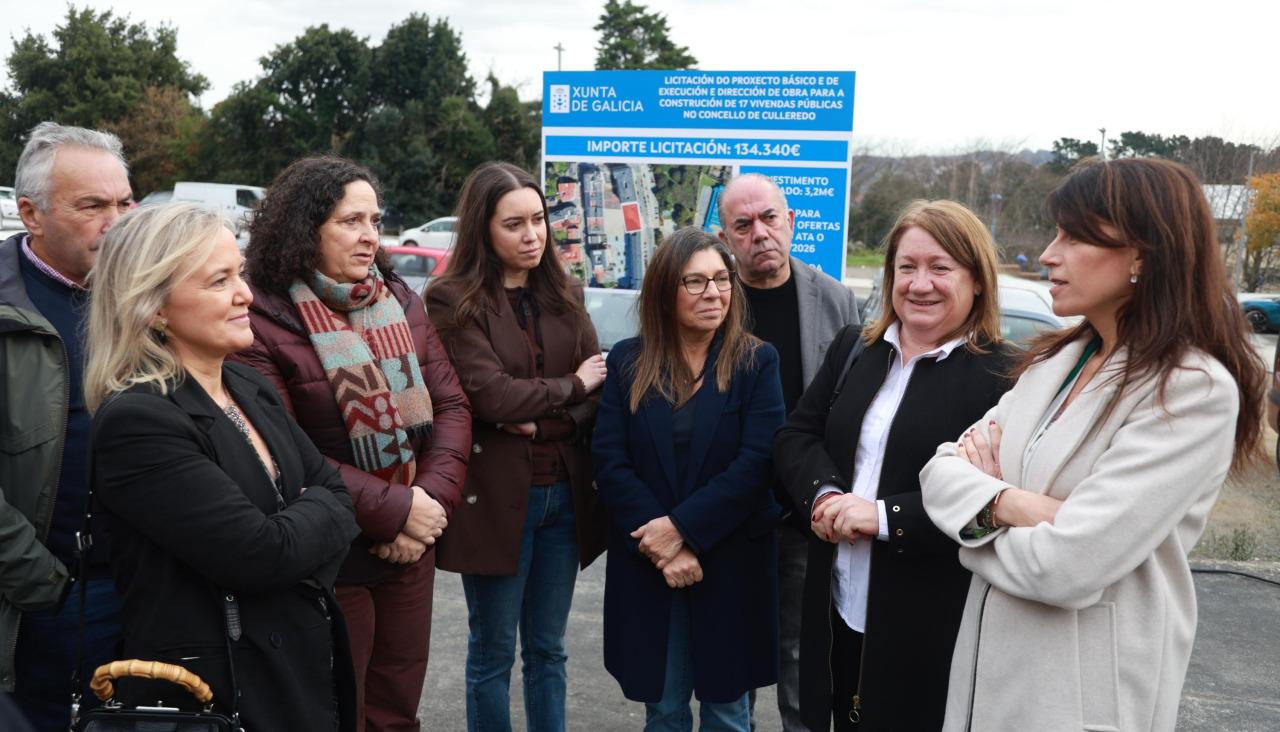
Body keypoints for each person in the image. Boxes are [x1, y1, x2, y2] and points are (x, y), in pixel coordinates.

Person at [920, 157, 1266, 732]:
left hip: (1077, 697)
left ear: (1143, 254)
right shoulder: (1056, 360)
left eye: (1075, 236)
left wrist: (970, 522)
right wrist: (1012, 505)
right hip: (988, 680)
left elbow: (1066, 569)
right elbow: (939, 471)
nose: (1049, 255)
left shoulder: (1190, 389)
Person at [85, 202, 361, 730]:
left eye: (240, 273)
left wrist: (303, 525)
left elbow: (340, 497)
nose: (246, 295)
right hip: (218, 694)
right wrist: (307, 524)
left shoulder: (248, 385)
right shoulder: (138, 421)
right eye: (219, 281)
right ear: (155, 308)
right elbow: (261, 555)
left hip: (296, 671)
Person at [230, 156, 471, 732]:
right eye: (350, 221)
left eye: (375, 219)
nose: (370, 236)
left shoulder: (399, 299)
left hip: (413, 547)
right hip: (334, 558)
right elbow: (284, 453)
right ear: (302, 228)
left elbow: (453, 407)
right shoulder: (261, 318)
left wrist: (428, 506)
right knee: (338, 711)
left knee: (397, 712)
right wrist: (395, 513)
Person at [772, 200, 1014, 731]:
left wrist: (882, 517)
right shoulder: (854, 349)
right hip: (835, 609)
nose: (919, 283)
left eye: (941, 267)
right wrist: (825, 496)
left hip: (929, 627)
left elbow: (989, 513)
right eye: (907, 267)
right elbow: (796, 436)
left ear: (977, 280)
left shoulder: (1007, 378)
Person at [424, 161, 607, 732]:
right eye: (514, 224)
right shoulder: (452, 300)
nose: (532, 236)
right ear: (483, 230)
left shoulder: (566, 293)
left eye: (539, 220)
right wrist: (572, 387)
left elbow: (604, 395)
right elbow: (493, 398)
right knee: (492, 653)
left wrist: (545, 416)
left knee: (549, 651)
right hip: (500, 500)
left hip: (564, 499)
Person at [593, 227, 784, 732]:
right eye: (695, 282)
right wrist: (663, 544)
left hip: (728, 557)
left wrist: (682, 530)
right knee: (665, 709)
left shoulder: (756, 361)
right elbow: (610, 460)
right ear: (664, 291)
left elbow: (757, 464)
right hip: (651, 562)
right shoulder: (629, 361)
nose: (714, 293)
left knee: (726, 711)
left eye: (722, 279)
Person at [716, 172, 860, 732]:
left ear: (792, 222)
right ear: (726, 238)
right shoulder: (711, 297)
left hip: (806, 510)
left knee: (802, 658)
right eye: (743, 225)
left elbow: (853, 404)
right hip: (728, 511)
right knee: (733, 657)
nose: (760, 234)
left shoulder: (835, 299)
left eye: (770, 218)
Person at [0, 122, 132, 729]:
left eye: (126, 202)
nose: (117, 220)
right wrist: (41, 583)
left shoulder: (153, 297)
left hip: (150, 588)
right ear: (31, 213)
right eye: (93, 205)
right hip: (44, 598)